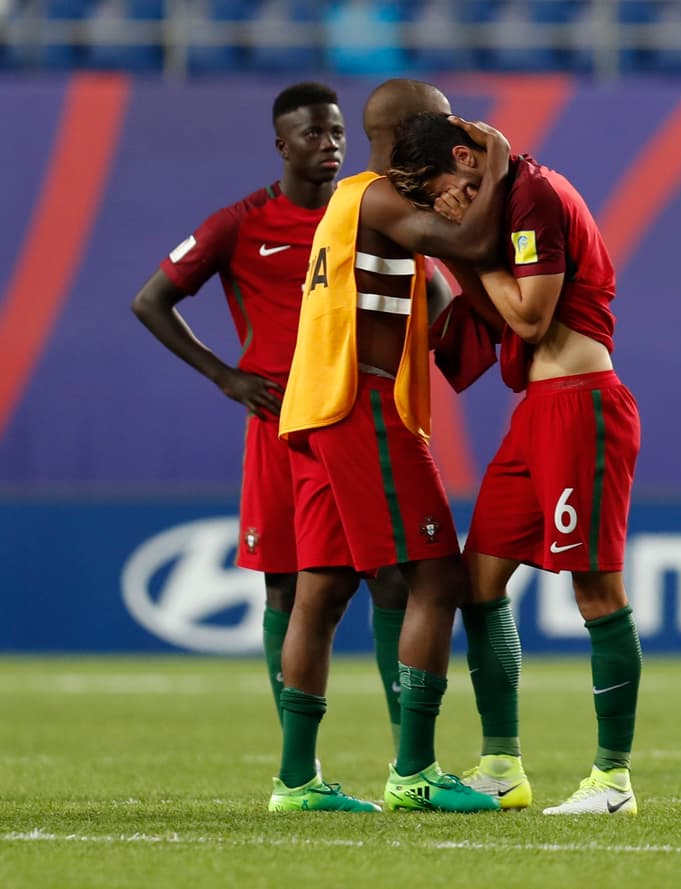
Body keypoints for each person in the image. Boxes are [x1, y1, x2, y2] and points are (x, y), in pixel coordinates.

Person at [130, 82, 412, 751]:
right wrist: (225, 375)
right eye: (314, 134)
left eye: (338, 132)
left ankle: (411, 749)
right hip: (282, 427)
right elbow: (151, 299)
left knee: (391, 573)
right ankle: (299, 758)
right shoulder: (239, 223)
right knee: (284, 584)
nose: (330, 145)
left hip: (356, 418)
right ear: (282, 145)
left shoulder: (361, 213)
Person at [386, 111, 644, 816]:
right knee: (478, 581)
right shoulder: (504, 200)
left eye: (436, 189)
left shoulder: (532, 196)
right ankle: (502, 765)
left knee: (596, 590)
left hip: (580, 403)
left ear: (467, 160)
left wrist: (464, 251)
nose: (438, 208)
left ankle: (613, 780)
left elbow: (530, 317)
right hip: (536, 408)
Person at [269, 80, 513, 814]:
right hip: (362, 406)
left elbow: (444, 306)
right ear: (414, 130)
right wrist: (497, 167)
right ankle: (414, 770)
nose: (456, 147)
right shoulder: (377, 197)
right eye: (444, 130)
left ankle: (296, 780)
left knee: (323, 589)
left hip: (316, 410)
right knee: (437, 579)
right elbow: (471, 243)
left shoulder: (356, 205)